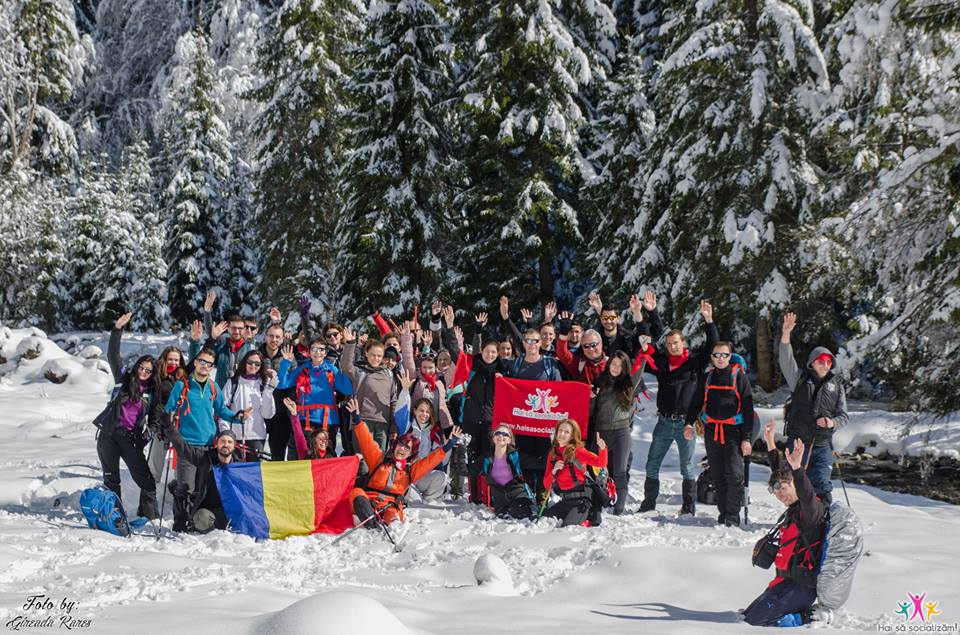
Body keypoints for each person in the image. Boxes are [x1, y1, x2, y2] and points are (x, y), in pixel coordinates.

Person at [636, 295, 717, 515]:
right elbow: (649, 337)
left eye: (676, 343)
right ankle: (648, 504)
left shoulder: (695, 363)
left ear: (684, 344)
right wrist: (651, 312)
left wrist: (709, 321)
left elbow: (712, 345)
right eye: (670, 344)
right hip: (663, 422)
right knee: (652, 463)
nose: (672, 346)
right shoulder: (661, 363)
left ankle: (688, 506)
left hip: (686, 424)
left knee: (687, 467)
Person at [742, 423, 826, 626]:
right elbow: (780, 474)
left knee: (757, 621)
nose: (779, 493)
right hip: (785, 581)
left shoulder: (810, 511)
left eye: (783, 488)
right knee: (747, 616)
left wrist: (797, 468)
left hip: (803, 587)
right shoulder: (794, 509)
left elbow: (806, 494)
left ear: (796, 485)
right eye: (774, 490)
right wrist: (770, 442)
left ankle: (808, 617)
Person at [165, 346, 252, 531]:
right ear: (195, 362)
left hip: (208, 445)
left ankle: (195, 521)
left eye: (209, 364)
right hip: (187, 444)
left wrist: (237, 417)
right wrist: (169, 431)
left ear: (212, 368)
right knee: (185, 487)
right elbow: (169, 410)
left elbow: (221, 410)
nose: (205, 366)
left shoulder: (213, 388)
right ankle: (180, 524)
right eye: (202, 361)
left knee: (201, 486)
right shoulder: (182, 386)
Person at [346, 398, 463, 527]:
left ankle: (389, 522)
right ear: (395, 446)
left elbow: (430, 461)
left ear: (411, 453)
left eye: (406, 448)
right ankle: (369, 519)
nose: (402, 449)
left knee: (394, 514)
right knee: (356, 493)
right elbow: (366, 440)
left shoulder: (410, 470)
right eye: (400, 445)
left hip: (390, 505)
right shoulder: (379, 459)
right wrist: (357, 419)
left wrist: (447, 446)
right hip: (370, 500)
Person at [779, 312, 848, 502]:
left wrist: (830, 422)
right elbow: (786, 362)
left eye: (828, 362)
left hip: (823, 444)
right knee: (795, 484)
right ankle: (796, 522)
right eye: (821, 361)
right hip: (798, 443)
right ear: (812, 363)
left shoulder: (837, 387)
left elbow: (844, 417)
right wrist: (786, 335)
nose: (825, 365)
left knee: (822, 485)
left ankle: (822, 521)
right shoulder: (799, 380)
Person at [98, 312, 160, 519]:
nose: (143, 372)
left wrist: (149, 432)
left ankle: (150, 517)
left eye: (148, 370)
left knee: (146, 479)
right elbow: (112, 355)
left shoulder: (151, 392)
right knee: (111, 479)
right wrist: (117, 330)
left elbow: (153, 417)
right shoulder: (124, 378)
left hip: (131, 438)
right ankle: (114, 517)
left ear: (152, 373)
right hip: (109, 434)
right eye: (141, 368)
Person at [686, 340, 754, 526]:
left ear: (730, 357)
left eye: (725, 355)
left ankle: (732, 516)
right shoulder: (707, 378)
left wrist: (747, 438)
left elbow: (748, 409)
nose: (721, 358)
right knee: (717, 474)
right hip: (712, 432)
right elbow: (696, 403)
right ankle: (723, 513)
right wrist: (689, 424)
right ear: (712, 357)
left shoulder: (739, 377)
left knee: (734, 474)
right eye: (717, 355)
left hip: (733, 432)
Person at [506, 327, 562, 503]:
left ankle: (542, 495)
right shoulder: (515, 364)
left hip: (544, 422)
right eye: (528, 341)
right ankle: (527, 494)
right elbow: (507, 388)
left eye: (535, 341)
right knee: (524, 458)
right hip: (522, 422)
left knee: (544, 459)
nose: (532, 344)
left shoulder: (549, 364)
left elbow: (559, 389)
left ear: (541, 343)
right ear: (523, 343)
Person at [277, 338, 353, 459]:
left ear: (326, 352)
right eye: (314, 349)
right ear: (309, 352)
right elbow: (282, 383)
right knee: (302, 454)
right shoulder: (303, 369)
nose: (317, 352)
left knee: (326, 456)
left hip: (327, 421)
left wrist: (346, 371)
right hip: (305, 420)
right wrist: (286, 362)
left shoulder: (331, 370)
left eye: (321, 349)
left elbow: (347, 389)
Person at [588, 350, 643, 515]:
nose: (616, 368)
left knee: (619, 471)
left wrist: (645, 353)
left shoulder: (628, 384)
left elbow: (639, 371)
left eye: (620, 365)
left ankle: (619, 507)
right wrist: (591, 398)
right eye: (614, 364)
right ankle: (601, 501)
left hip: (621, 432)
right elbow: (591, 413)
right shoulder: (599, 382)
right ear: (609, 363)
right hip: (601, 433)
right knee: (598, 471)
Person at [460, 313, 506, 503]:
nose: (490, 354)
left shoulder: (502, 372)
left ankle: (487, 495)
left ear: (498, 354)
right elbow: (472, 350)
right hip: (471, 420)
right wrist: (478, 330)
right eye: (487, 351)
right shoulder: (474, 367)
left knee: (488, 457)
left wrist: (502, 381)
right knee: (472, 457)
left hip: (490, 422)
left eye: (494, 352)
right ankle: (474, 495)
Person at [162, 421, 240, 533]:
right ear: (217, 444)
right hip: (208, 510)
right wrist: (169, 427)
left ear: (234, 446)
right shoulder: (205, 458)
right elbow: (184, 447)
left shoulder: (239, 467)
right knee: (201, 519)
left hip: (228, 511)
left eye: (229, 442)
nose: (226, 445)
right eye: (222, 441)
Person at [341, 326, 399, 453]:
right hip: (362, 421)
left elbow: (393, 401)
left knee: (379, 460)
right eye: (373, 355)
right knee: (363, 461)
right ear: (366, 353)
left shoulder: (388, 375)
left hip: (383, 424)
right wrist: (350, 345)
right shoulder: (359, 372)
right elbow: (345, 367)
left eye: (379, 356)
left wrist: (394, 427)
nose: (376, 358)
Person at [542, 419, 608, 527]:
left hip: (581, 501)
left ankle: (588, 519)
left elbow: (600, 463)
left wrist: (603, 448)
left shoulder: (578, 451)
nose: (562, 434)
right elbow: (546, 484)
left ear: (572, 436)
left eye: (566, 432)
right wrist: (554, 471)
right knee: (543, 522)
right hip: (565, 501)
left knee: (567, 528)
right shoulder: (553, 454)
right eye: (560, 430)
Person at [395, 386, 451, 502]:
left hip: (421, 473)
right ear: (415, 411)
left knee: (441, 477)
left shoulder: (433, 433)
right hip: (405, 473)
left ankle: (428, 502)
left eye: (427, 412)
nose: (424, 414)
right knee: (415, 501)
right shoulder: (407, 427)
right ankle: (416, 500)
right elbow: (400, 413)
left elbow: (441, 460)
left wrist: (448, 447)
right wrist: (405, 392)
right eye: (421, 411)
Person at [220, 350, 278, 461]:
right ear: (244, 363)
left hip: (256, 436)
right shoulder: (233, 383)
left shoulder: (263, 384)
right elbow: (223, 410)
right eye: (250, 362)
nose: (253, 366)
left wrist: (269, 390)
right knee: (235, 471)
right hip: (234, 436)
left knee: (254, 473)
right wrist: (225, 432)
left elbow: (268, 414)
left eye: (257, 364)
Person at [148, 342, 189, 481]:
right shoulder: (157, 377)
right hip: (162, 422)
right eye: (170, 359)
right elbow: (155, 402)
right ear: (164, 360)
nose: (173, 362)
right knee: (156, 459)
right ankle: (151, 487)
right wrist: (156, 423)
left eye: (176, 360)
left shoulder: (183, 378)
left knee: (181, 458)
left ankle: (181, 484)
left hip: (180, 424)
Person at [479, 425, 537, 519]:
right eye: (497, 433)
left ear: (510, 440)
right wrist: (461, 450)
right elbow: (466, 471)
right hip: (501, 505)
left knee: (519, 512)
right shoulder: (486, 459)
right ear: (493, 438)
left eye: (505, 434)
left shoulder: (516, 457)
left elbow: (540, 463)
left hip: (521, 498)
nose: (501, 436)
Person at [201, 291, 257, 387]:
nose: (237, 331)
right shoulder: (222, 343)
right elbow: (211, 333)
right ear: (228, 329)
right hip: (221, 390)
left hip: (241, 393)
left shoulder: (250, 347)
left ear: (244, 329)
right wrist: (207, 311)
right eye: (233, 328)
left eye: (240, 328)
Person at [260, 317, 292, 461]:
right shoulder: (257, 355)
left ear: (282, 339)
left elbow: (292, 382)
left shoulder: (288, 357)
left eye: (277, 337)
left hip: (280, 413)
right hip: (258, 411)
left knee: (277, 454)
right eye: (271, 336)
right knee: (255, 452)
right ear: (265, 336)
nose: (274, 339)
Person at [587, 291, 644, 358]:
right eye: (605, 318)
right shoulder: (594, 340)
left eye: (611, 318)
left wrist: (637, 313)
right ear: (601, 319)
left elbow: (646, 339)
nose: (608, 321)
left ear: (618, 318)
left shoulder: (628, 339)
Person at [555, 313, 607, 385]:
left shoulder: (611, 363)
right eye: (586, 346)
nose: (591, 349)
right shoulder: (578, 362)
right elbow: (562, 354)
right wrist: (563, 334)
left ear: (601, 343)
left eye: (593, 345)